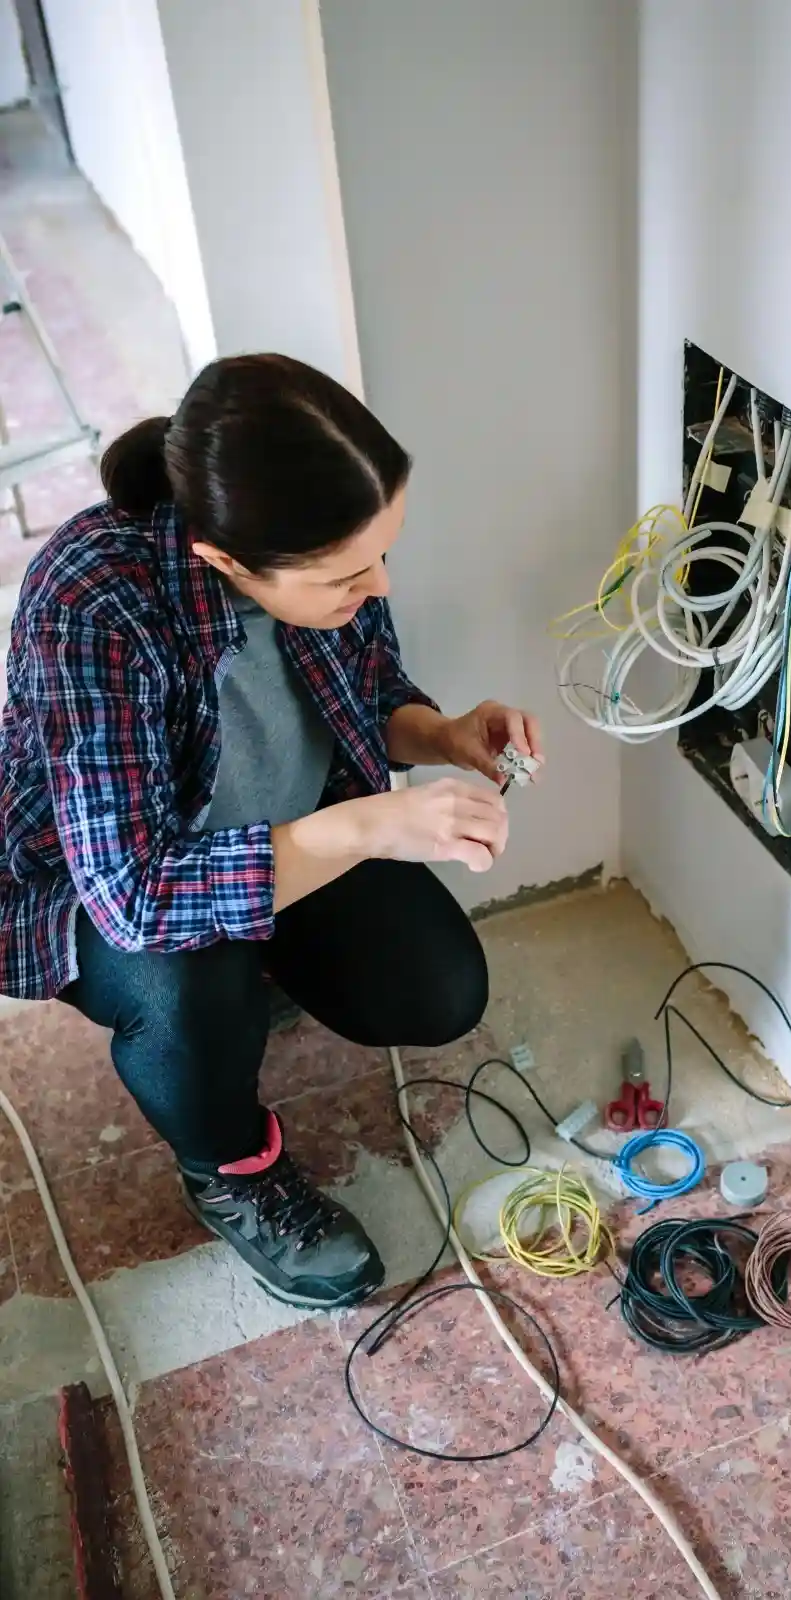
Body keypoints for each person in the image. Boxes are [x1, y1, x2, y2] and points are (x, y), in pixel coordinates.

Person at [0, 353, 543, 1311]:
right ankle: (229, 1171)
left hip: (285, 834)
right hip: (107, 885)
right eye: (347, 572)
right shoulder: (90, 604)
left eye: (384, 554)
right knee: (187, 982)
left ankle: (252, 973)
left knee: (439, 991)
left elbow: (371, 690)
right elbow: (135, 896)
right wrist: (373, 823)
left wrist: (444, 734)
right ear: (224, 561)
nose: (375, 586)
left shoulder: (319, 552)